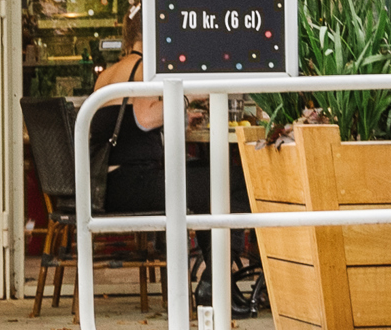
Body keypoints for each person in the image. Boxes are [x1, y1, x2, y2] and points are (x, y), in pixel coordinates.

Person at [89, 49, 265, 312]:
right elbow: (145, 118)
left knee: (211, 183)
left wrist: (181, 117)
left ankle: (219, 286)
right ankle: (213, 284)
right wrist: (187, 96)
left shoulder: (110, 74)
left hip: (110, 184)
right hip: (132, 183)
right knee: (235, 181)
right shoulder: (142, 65)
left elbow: (131, 127)